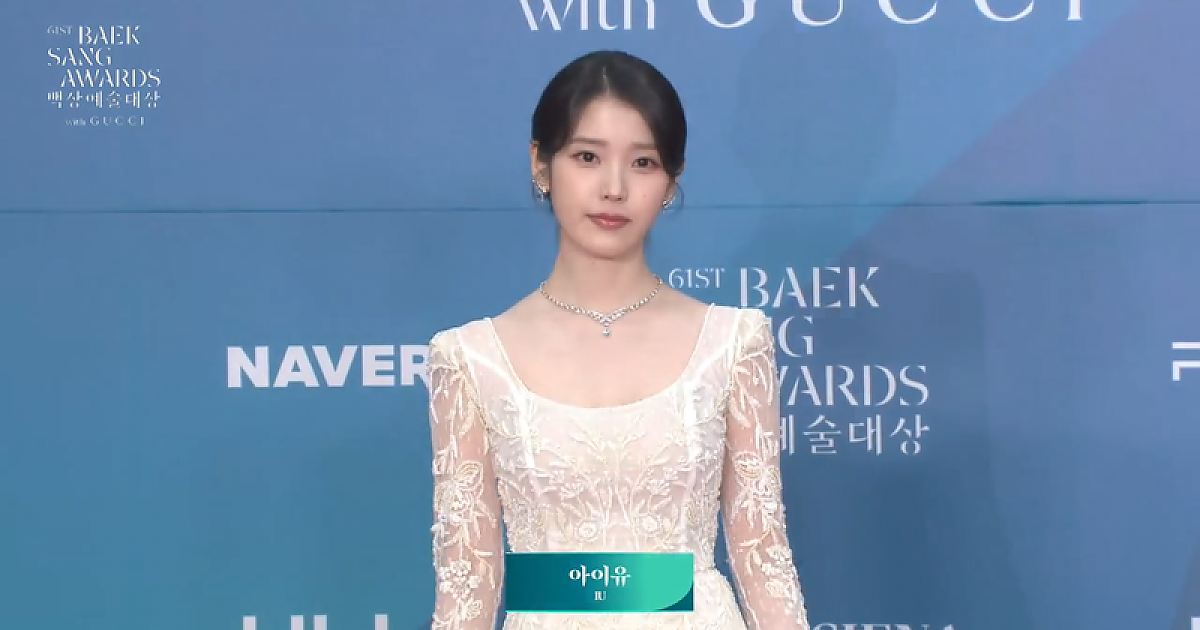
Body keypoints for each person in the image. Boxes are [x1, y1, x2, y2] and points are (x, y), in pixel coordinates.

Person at [425, 49, 811, 630]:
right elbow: (467, 585)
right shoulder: (470, 359)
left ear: (672, 180)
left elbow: (762, 556)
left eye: (643, 163)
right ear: (540, 164)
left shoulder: (733, 344)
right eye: (587, 157)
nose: (614, 188)